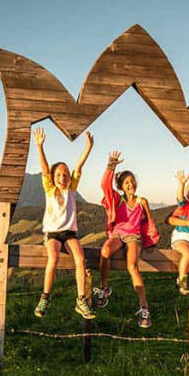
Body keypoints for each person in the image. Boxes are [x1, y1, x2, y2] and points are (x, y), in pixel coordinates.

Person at [32, 127, 96, 320]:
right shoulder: (49, 188)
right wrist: (39, 147)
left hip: (70, 233)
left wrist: (88, 147)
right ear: (53, 178)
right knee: (53, 258)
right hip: (52, 234)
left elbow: (78, 167)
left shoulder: (72, 188)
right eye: (59, 174)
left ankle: (81, 299)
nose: (63, 177)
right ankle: (45, 297)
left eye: (65, 174)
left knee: (80, 260)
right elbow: (44, 168)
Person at [95, 150, 159, 328]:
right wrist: (111, 166)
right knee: (105, 251)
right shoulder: (117, 200)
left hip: (134, 237)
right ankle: (104, 288)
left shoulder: (142, 201)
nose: (130, 184)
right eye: (126, 182)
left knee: (132, 266)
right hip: (117, 234)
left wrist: (151, 241)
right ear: (121, 186)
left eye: (132, 181)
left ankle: (144, 308)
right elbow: (104, 185)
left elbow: (148, 222)